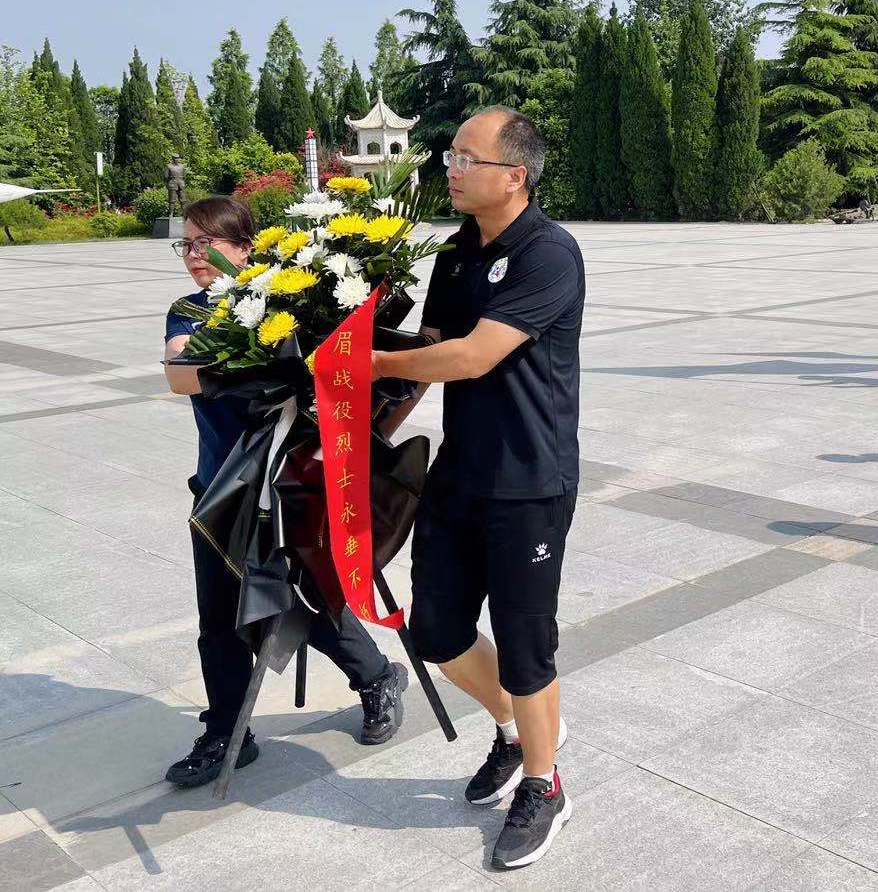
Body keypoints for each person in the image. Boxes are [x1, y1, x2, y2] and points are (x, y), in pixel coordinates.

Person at [373, 107, 583, 869]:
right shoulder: (458, 253)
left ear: (514, 176)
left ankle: (544, 784)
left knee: (527, 647)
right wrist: (362, 419)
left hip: (529, 480)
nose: (452, 170)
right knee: (436, 631)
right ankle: (519, 730)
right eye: (451, 156)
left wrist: (371, 364)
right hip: (460, 473)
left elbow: (472, 356)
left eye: (468, 158)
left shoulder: (549, 254)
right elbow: (433, 350)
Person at [162, 197, 406, 790]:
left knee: (300, 596)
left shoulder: (284, 304)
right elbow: (178, 374)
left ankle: (376, 676)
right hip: (220, 489)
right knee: (219, 615)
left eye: (207, 243)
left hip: (294, 482)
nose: (195, 255)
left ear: (245, 248)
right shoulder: (189, 310)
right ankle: (227, 732)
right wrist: (247, 359)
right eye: (186, 244)